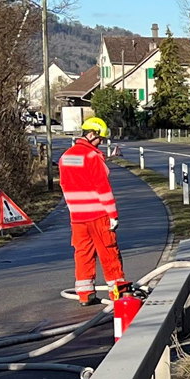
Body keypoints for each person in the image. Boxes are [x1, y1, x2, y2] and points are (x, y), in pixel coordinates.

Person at [58, 115, 124, 304]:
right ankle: (118, 295)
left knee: (83, 254)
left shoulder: (65, 157)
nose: (101, 143)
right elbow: (102, 187)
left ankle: (85, 295)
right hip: (98, 214)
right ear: (92, 134)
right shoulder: (92, 156)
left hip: (77, 217)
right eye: (100, 139)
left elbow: (64, 185)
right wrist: (113, 214)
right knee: (109, 253)